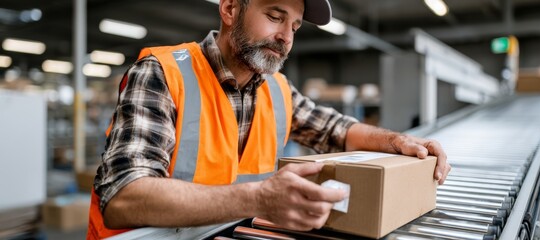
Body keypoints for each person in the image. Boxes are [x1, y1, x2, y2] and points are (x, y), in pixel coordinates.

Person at [87, 0, 451, 238]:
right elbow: (123, 197)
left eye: (294, 27)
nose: (284, 37)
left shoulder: (276, 88)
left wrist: (398, 142)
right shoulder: (162, 74)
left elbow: (337, 130)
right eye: (275, 17)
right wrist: (260, 198)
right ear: (230, 9)